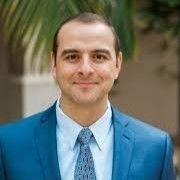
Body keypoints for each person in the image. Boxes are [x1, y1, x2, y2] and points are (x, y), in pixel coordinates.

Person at [0, 12, 176, 180]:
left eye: (98, 56)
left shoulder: (155, 148)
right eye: (72, 56)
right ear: (53, 64)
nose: (85, 69)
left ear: (117, 64)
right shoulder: (8, 145)